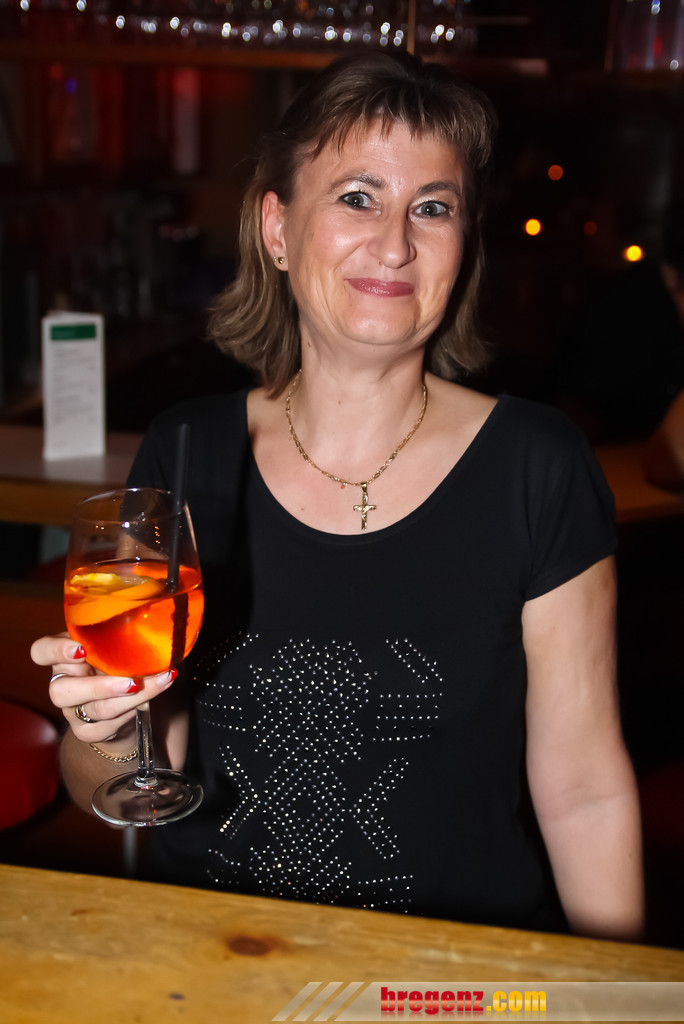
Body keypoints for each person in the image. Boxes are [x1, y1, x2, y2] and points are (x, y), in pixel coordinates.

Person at [31, 50, 643, 941]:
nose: (395, 244)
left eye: (432, 207)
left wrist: (621, 993)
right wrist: (106, 729)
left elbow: (585, 792)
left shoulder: (536, 465)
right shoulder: (189, 451)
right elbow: (116, 783)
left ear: (464, 243)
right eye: (358, 197)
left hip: (448, 976)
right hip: (217, 957)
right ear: (277, 229)